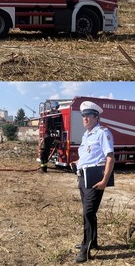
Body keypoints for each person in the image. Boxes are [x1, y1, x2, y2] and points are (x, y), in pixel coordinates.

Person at [71, 101, 114, 263]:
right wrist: (77, 163)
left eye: (88, 115)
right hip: (83, 177)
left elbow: (110, 158)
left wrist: (104, 180)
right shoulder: (86, 135)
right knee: (89, 212)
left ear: (96, 117)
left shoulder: (103, 133)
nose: (85, 118)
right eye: (83, 116)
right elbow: (88, 156)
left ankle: (85, 249)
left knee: (88, 213)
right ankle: (93, 241)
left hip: (96, 178)